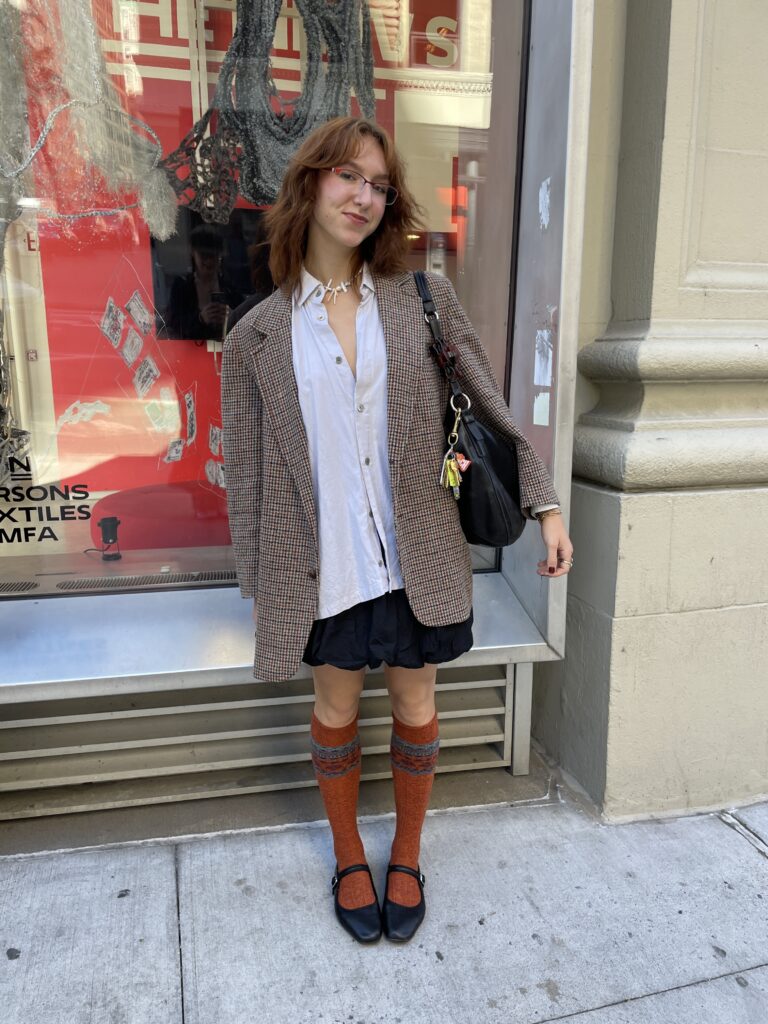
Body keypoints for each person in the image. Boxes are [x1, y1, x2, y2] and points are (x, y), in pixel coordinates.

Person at [220, 116, 573, 946]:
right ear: (309, 184)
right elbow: (249, 471)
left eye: (378, 185)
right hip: (323, 562)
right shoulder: (257, 333)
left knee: (417, 698)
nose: (363, 196)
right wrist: (261, 586)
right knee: (335, 704)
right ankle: (349, 854)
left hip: (417, 551)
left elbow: (487, 403)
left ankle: (407, 853)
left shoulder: (421, 298)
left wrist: (545, 503)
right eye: (348, 176)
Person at [163, 225, 242, 339]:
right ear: (193, 253)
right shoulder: (182, 286)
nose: (209, 261)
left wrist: (233, 316)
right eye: (204, 255)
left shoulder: (231, 287)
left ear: (220, 255)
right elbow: (173, 327)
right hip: (191, 353)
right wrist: (200, 319)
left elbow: (246, 319)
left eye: (214, 255)